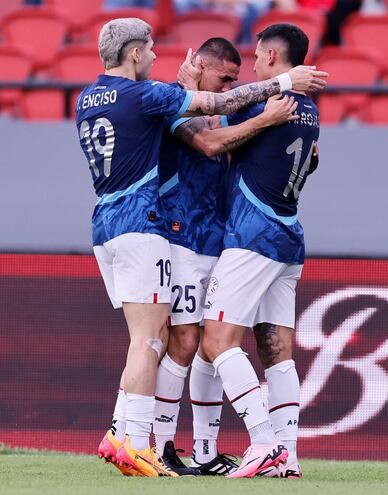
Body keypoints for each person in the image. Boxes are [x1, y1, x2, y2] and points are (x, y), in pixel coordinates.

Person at [75, 16, 327, 477]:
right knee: (184, 340)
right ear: (201, 68)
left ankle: (204, 449)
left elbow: (245, 140)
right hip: (175, 232)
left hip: (222, 233)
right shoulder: (164, 102)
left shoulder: (102, 97)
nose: (239, 80)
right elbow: (211, 140)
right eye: (225, 77)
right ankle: (156, 442)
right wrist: (278, 96)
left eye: (241, 71)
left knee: (203, 342)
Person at [177, 23, 321, 478]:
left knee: (217, 341)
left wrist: (186, 89)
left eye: (258, 58)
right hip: (288, 236)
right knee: (276, 351)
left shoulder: (270, 102)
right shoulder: (309, 107)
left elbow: (211, 129)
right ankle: (289, 456)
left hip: (253, 235)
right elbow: (308, 157)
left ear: (273, 58)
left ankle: (263, 442)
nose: (252, 69)